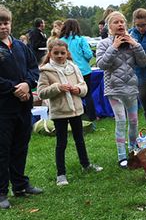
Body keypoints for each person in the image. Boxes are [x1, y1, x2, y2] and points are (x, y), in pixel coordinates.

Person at [37, 40, 103, 186]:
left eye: (62, 53)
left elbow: (84, 86)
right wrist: (57, 87)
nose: (60, 56)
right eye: (56, 53)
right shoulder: (45, 71)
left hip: (76, 110)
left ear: (67, 53)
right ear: (50, 54)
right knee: (62, 142)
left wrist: (78, 90)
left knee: (80, 139)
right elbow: (41, 93)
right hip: (60, 113)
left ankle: (86, 164)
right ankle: (61, 174)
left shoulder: (73, 67)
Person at [0, 5, 42, 210]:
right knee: (2, 149)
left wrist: (27, 83)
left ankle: (20, 185)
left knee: (20, 146)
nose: (3, 26)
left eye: (6, 22)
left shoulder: (20, 46)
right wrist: (13, 88)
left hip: (24, 105)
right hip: (3, 107)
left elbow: (34, 69)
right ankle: (1, 192)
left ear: (11, 23)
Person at [96, 11, 146, 168]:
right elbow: (101, 64)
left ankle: (133, 150)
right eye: (116, 22)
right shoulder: (104, 44)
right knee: (121, 121)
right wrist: (114, 47)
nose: (120, 25)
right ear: (109, 26)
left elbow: (143, 62)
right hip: (114, 89)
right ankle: (122, 156)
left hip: (131, 88)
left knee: (133, 121)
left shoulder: (132, 41)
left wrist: (136, 45)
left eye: (122, 22)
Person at [59, 19, 97, 124]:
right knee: (87, 93)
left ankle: (74, 116)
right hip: (84, 70)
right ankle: (92, 116)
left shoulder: (61, 41)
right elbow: (89, 54)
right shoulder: (81, 39)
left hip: (67, 71)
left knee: (71, 94)